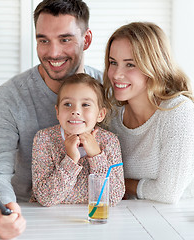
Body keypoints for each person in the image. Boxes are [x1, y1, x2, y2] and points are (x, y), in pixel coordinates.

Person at [0, 0, 194, 239]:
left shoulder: (109, 91)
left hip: (148, 214)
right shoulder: (12, 96)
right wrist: (1, 209)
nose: (53, 52)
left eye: (65, 39)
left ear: (86, 40)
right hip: (35, 214)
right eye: (43, 40)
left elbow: (169, 129)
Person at [103, 22, 194, 204]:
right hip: (142, 214)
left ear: (153, 67)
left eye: (130, 64)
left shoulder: (177, 111)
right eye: (113, 62)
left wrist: (121, 183)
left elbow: (167, 193)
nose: (117, 74)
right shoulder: (111, 115)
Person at [31, 73, 124, 207]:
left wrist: (96, 156)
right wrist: (70, 159)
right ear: (57, 112)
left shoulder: (109, 141)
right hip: (50, 219)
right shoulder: (44, 139)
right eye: (67, 104)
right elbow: (45, 198)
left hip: (93, 218)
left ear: (100, 114)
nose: (75, 111)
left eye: (85, 104)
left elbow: (113, 198)